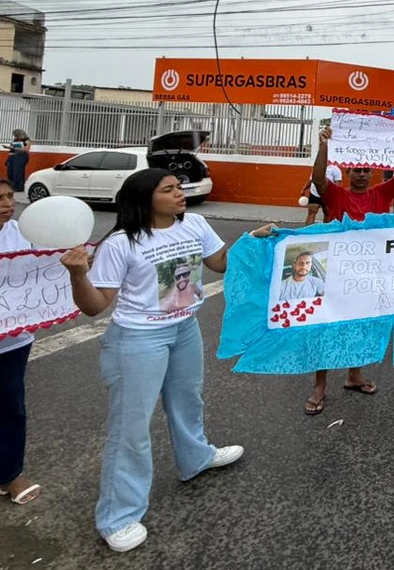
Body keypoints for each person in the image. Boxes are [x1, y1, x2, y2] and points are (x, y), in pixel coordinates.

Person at [60, 169, 273, 552]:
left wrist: (249, 239)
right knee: (132, 426)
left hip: (184, 328)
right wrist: (78, 275)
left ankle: (197, 457)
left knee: (188, 400)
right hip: (138, 338)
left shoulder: (194, 223)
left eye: (179, 187)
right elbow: (95, 307)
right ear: (145, 198)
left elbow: (219, 263)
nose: (181, 194)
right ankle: (118, 517)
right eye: (169, 189)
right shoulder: (121, 244)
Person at [306, 126, 394, 415]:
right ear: (348, 172)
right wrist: (324, 146)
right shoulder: (337, 195)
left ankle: (353, 375)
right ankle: (319, 386)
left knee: (360, 326)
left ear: (373, 173)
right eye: (357, 170)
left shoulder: (382, 193)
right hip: (333, 274)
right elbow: (317, 179)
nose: (362, 174)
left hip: (368, 275)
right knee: (326, 327)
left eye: (366, 170)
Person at [0, 178, 39, 506]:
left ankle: (9, 474)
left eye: (10, 196)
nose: (7, 204)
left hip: (12, 340)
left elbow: (44, 268)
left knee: (10, 405)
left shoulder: (23, 232)